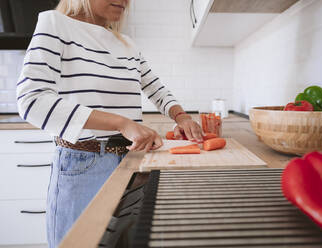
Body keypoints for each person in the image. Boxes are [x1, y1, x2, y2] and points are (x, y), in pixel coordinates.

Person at [16, 0, 203, 247]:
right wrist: (121, 123)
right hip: (84, 166)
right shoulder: (55, 24)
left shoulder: (127, 44)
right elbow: (32, 100)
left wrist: (182, 117)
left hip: (133, 164)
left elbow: (155, 87)